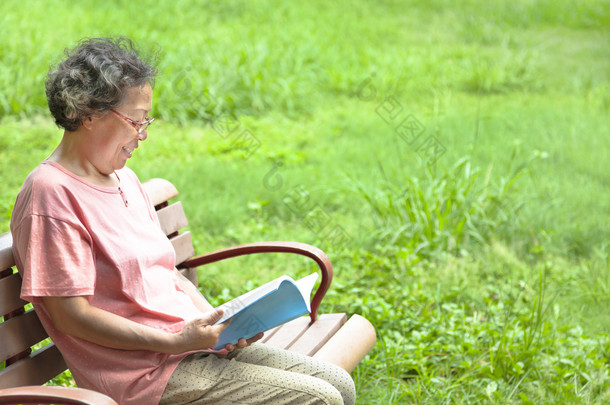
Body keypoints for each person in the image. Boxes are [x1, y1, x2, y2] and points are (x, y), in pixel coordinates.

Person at [10, 37, 355, 405]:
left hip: (188, 349)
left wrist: (219, 324)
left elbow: (166, 273)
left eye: (147, 121)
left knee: (339, 384)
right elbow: (72, 317)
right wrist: (174, 341)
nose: (142, 135)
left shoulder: (123, 178)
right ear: (88, 113)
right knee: (320, 399)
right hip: (144, 376)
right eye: (135, 121)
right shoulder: (51, 194)